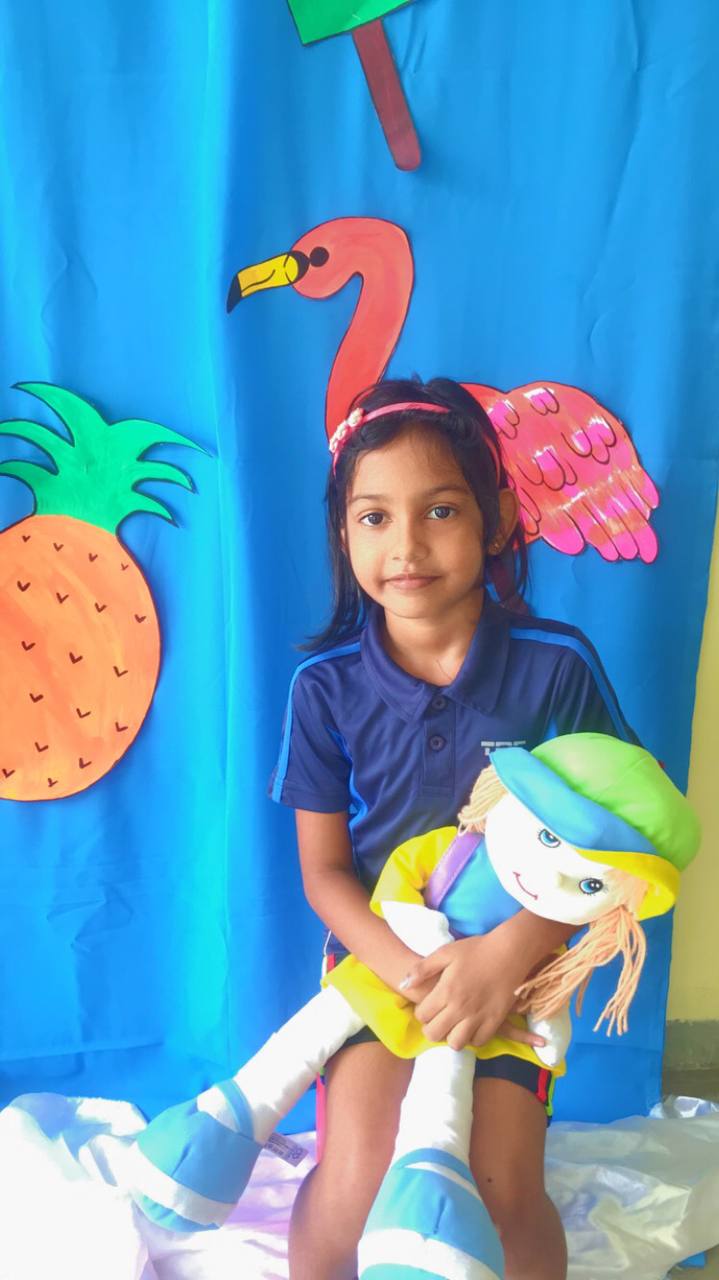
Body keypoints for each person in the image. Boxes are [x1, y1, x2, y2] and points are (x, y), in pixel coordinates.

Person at [270, 377, 637, 1280]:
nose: (405, 546)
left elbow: (620, 851)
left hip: (524, 959)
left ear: (497, 516)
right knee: (355, 1179)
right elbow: (323, 875)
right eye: (373, 518)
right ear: (341, 532)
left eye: (438, 510)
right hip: (380, 957)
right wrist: (408, 974)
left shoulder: (557, 670)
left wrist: (508, 955)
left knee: (497, 1187)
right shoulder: (323, 688)